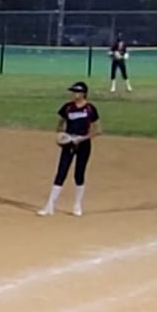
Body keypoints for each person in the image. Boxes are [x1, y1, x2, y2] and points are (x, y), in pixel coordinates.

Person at [39, 81, 101, 217]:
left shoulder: (90, 109)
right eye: (73, 92)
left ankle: (77, 205)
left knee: (79, 174)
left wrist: (82, 138)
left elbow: (98, 130)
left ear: (83, 94)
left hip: (83, 145)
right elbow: (59, 126)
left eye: (77, 92)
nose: (74, 94)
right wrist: (63, 136)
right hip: (69, 144)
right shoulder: (67, 108)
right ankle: (50, 205)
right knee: (61, 172)